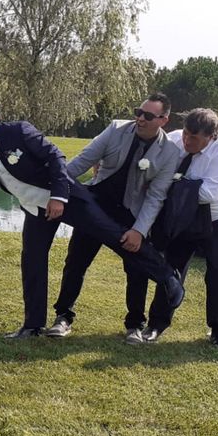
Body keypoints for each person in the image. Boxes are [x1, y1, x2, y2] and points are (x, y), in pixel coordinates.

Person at [0, 96, 182, 339]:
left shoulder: (17, 131)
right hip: (36, 208)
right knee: (33, 260)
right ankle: (33, 326)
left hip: (66, 198)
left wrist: (59, 196)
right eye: (138, 112)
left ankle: (167, 277)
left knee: (113, 235)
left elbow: (55, 156)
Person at [47, 94, 180, 342]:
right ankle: (63, 318)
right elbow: (82, 162)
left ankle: (135, 325)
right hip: (95, 203)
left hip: (130, 212)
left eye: (148, 116)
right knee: (76, 261)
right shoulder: (116, 129)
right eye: (138, 112)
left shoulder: (170, 152)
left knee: (136, 268)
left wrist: (139, 231)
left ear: (163, 120)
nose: (140, 119)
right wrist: (56, 191)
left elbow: (156, 196)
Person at [130, 108, 218, 348]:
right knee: (171, 269)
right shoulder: (176, 138)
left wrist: (165, 185)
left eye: (194, 138)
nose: (187, 141)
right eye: (187, 134)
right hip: (184, 216)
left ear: (211, 136)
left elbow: (208, 193)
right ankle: (156, 325)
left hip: (217, 220)